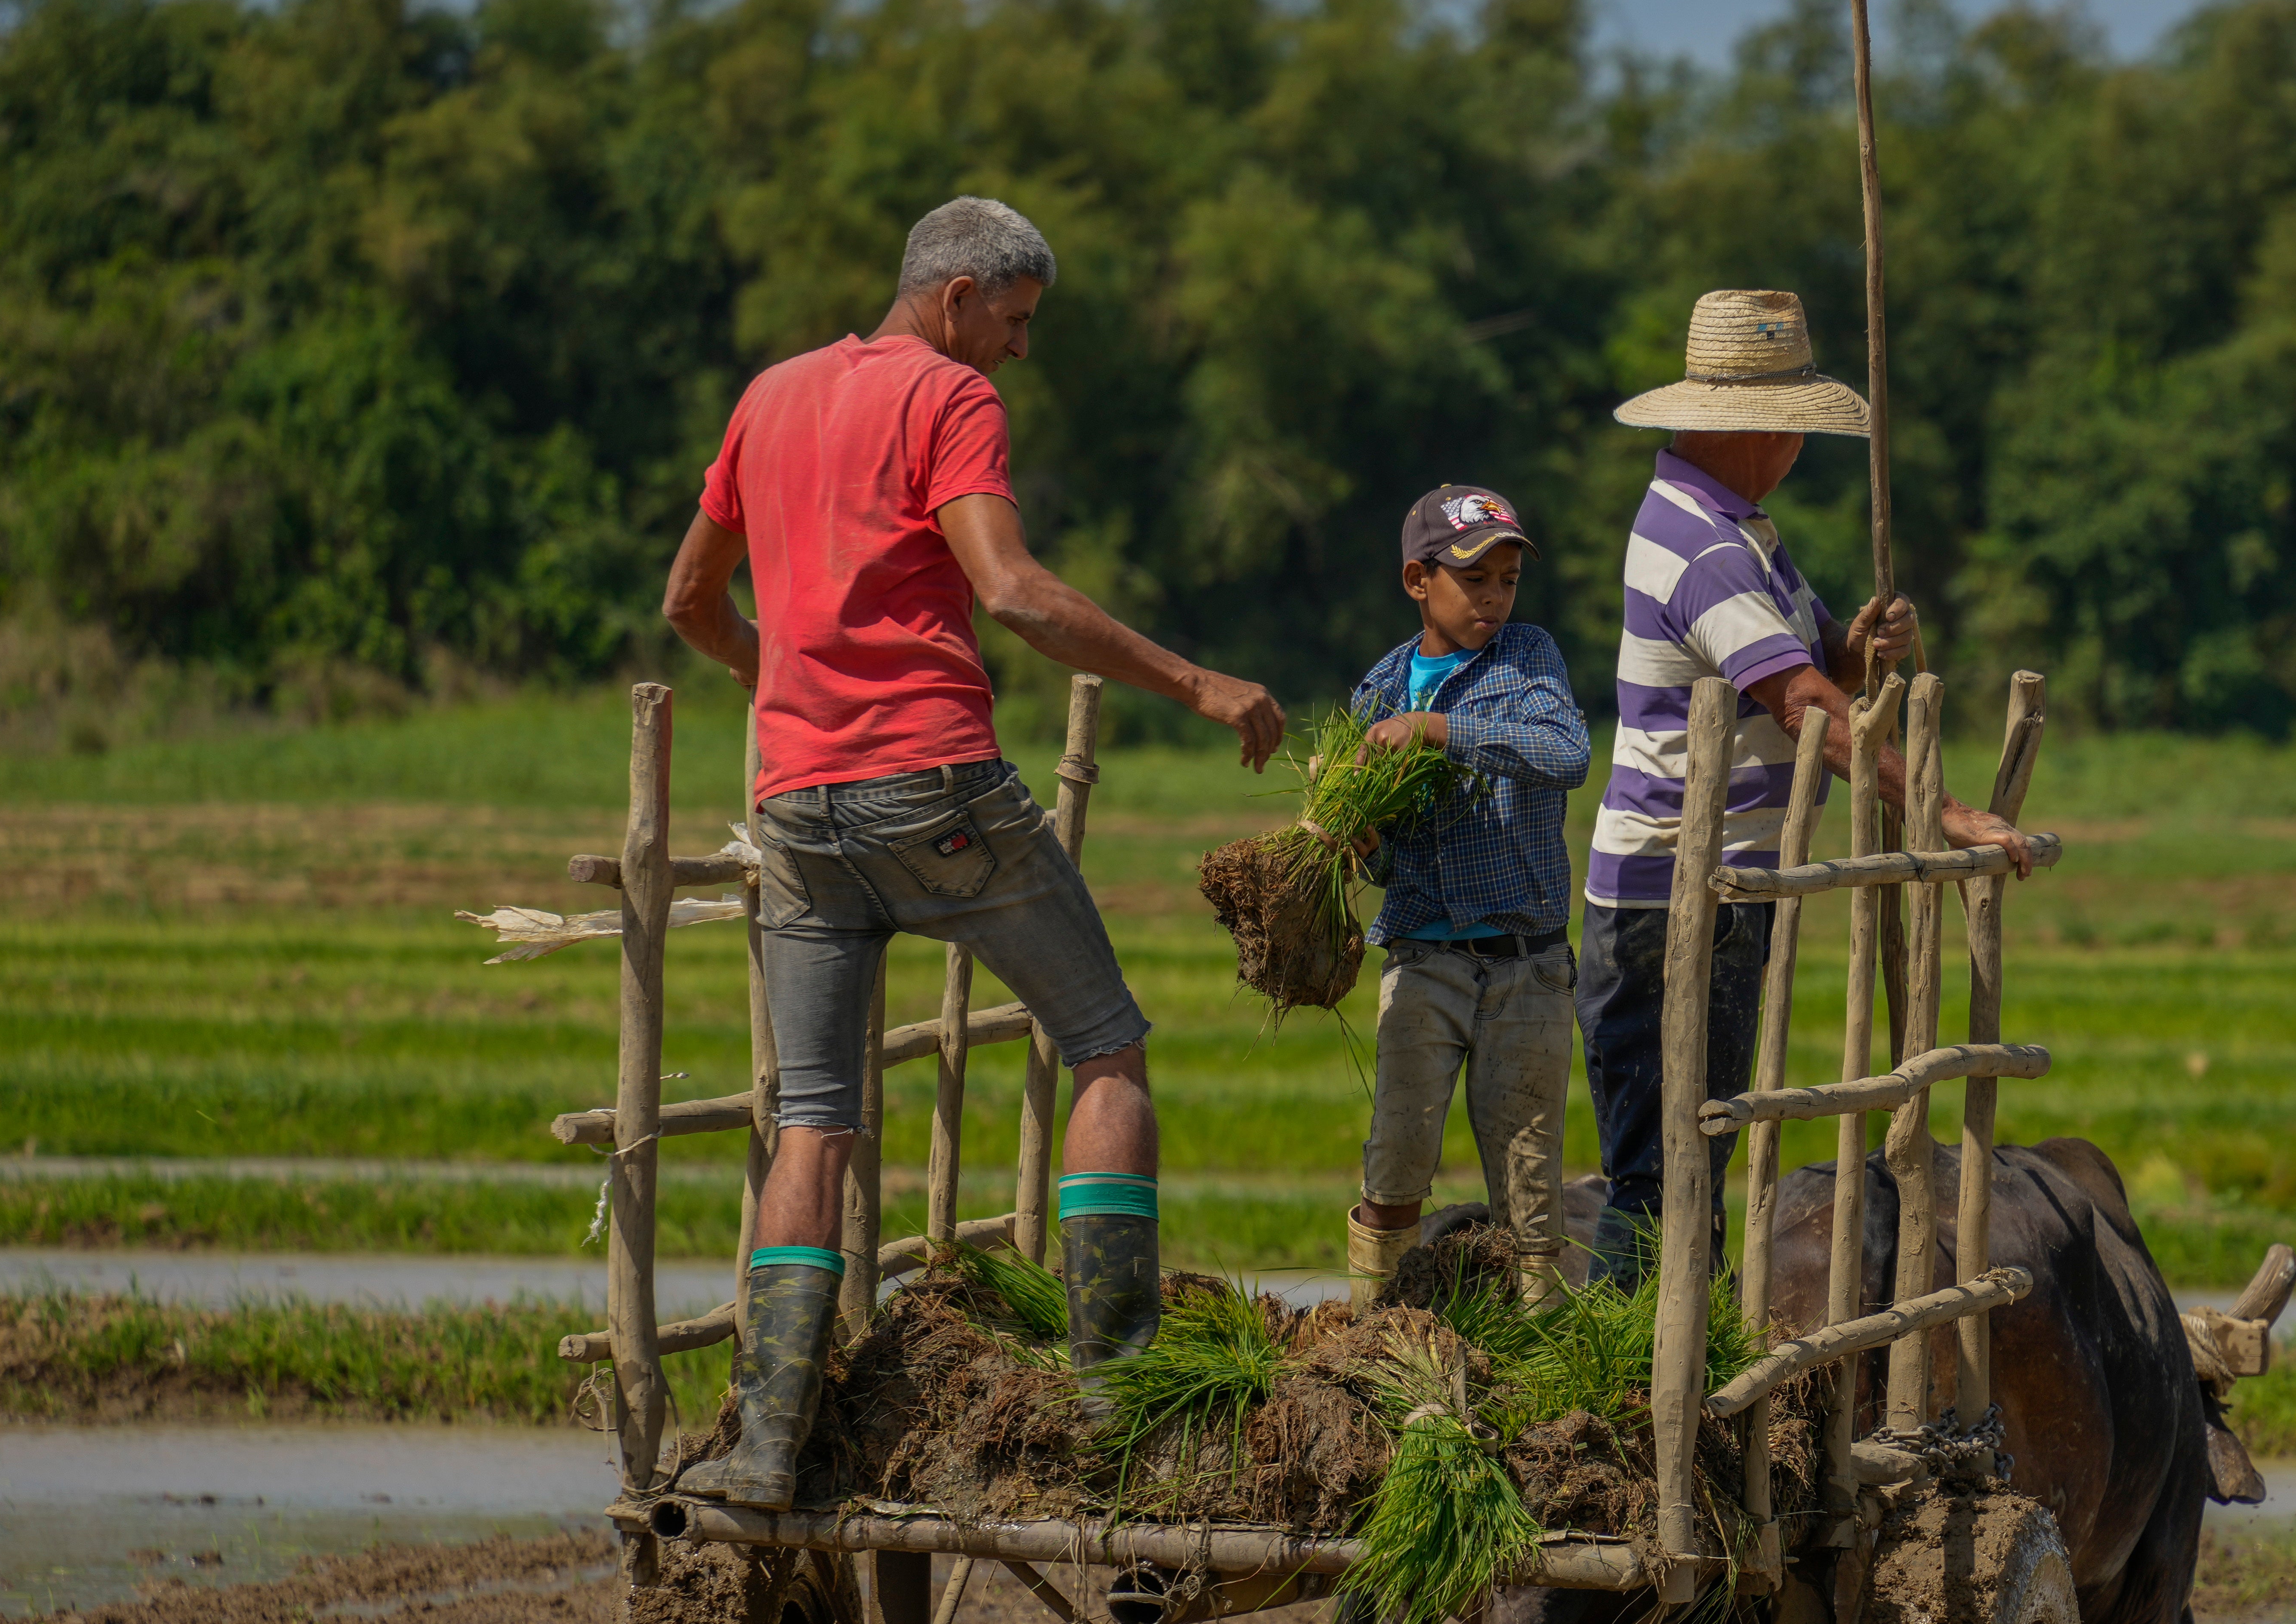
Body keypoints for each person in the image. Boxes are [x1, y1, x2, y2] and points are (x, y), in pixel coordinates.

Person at [659, 194, 1286, 1506]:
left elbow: (688, 601)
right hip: (931, 789)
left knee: (814, 1125)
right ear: (955, 299)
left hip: (798, 809)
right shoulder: (948, 398)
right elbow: (1009, 590)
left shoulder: (770, 396)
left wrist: (778, 678)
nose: (1016, 350)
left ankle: (769, 1448)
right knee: (1107, 1042)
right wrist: (1200, 683)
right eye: (1013, 320)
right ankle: (1115, 1395)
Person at [1580, 288, 2033, 1287]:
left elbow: (1819, 663)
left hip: (1717, 894)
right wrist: (1941, 810)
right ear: (1761, 426)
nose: (1797, 445)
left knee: (1695, 1151)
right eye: (1792, 425)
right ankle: (1620, 1363)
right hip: (1669, 903)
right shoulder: (1702, 548)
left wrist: (1859, 647)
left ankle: (1661, 1350)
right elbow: (1806, 707)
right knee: (1661, 1173)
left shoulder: (1745, 532)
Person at [1338, 485, 1591, 1312]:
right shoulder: (1378, 694)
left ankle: (1541, 1345)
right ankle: (1376, 1329)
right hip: (1424, 960)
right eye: (1473, 579)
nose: (1493, 598)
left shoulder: (1528, 657)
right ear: (1419, 580)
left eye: (1507, 580)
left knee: (1530, 1173)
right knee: (1399, 1153)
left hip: (1527, 966)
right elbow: (1388, 853)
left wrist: (1444, 732)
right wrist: (1363, 843)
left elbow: (1564, 755)